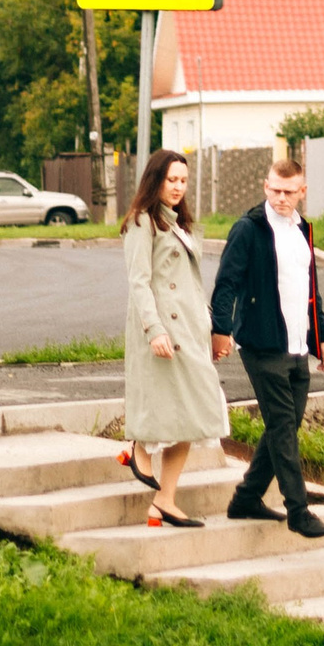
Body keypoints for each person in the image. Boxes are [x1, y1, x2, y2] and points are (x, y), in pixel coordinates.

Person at [208, 156, 324, 537]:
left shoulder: (302, 231)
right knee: (283, 428)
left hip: (297, 347)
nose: (281, 198)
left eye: (289, 192)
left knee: (285, 424)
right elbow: (226, 283)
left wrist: (322, 336)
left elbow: (310, 291)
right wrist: (221, 329)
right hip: (262, 345)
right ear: (266, 187)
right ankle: (299, 510)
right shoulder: (249, 229)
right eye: (275, 190)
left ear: (302, 191)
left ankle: (246, 498)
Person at [119, 149, 227, 527]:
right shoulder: (141, 222)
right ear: (156, 180)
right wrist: (154, 330)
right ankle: (137, 445)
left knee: (192, 415)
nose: (178, 187)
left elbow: (193, 288)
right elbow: (139, 282)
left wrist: (214, 329)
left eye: (183, 180)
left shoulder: (181, 223)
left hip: (190, 330)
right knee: (166, 408)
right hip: (163, 331)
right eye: (171, 180)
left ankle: (164, 501)